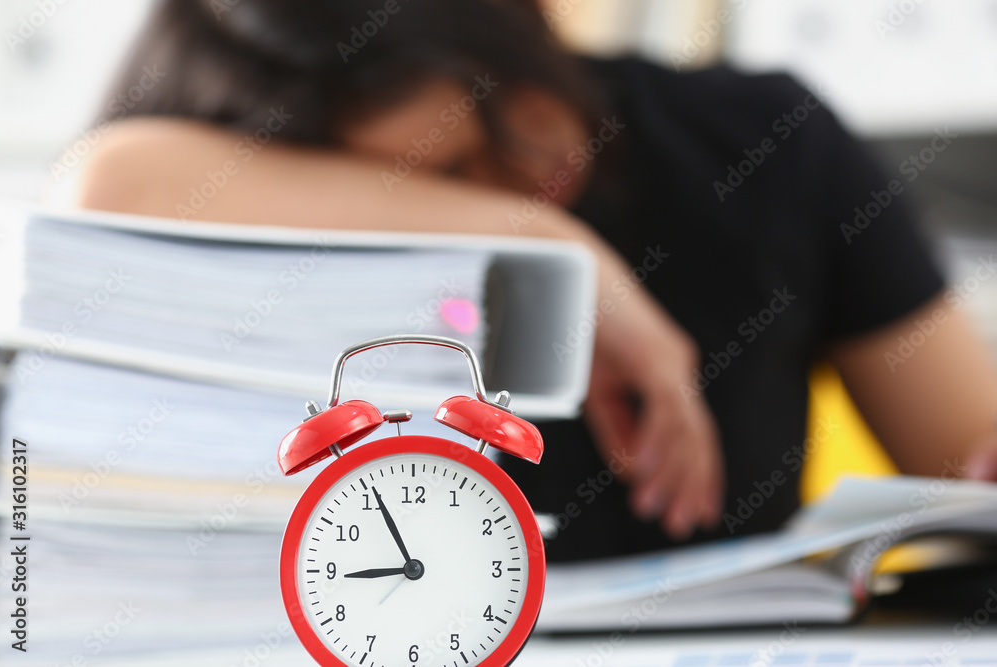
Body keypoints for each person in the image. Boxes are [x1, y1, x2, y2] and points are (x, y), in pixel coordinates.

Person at [70, 0, 997, 561]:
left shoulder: (765, 141)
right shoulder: (233, 203)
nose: (545, 139)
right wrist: (543, 243)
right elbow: (105, 181)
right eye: (447, 175)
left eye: (496, 89)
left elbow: (969, 453)